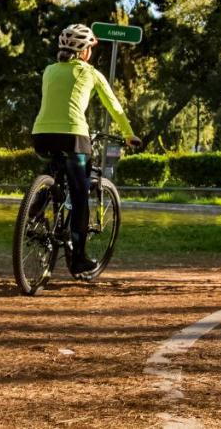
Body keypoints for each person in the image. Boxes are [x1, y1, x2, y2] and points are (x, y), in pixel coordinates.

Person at [31, 23, 140, 275]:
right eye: (90, 48)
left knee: (53, 172)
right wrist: (128, 134)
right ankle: (78, 258)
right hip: (74, 137)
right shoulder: (90, 73)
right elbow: (113, 106)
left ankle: (35, 213)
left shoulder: (48, 71)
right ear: (84, 51)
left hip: (42, 135)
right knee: (80, 195)